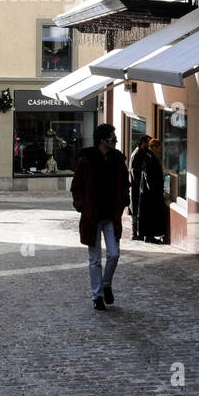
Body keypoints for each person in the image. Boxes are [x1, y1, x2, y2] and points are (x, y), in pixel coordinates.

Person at [71, 123, 130, 311]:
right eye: (113, 138)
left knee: (114, 254)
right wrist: (81, 206)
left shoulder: (118, 160)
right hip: (93, 216)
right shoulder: (86, 160)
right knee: (95, 259)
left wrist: (123, 201)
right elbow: (77, 186)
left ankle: (106, 284)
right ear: (103, 140)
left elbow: (124, 184)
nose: (116, 141)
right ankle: (97, 296)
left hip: (111, 215)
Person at [141, 139, 169, 244]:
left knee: (150, 215)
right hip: (151, 193)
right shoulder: (149, 158)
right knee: (150, 214)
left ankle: (149, 235)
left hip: (150, 192)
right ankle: (149, 236)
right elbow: (149, 176)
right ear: (153, 147)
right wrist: (154, 190)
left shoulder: (150, 157)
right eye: (159, 147)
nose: (160, 149)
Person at [128, 135, 151, 241]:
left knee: (136, 209)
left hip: (137, 186)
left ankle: (137, 232)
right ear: (143, 142)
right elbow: (134, 171)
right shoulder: (137, 154)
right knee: (135, 209)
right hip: (136, 187)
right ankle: (135, 233)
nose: (149, 145)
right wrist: (140, 183)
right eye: (148, 143)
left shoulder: (141, 152)